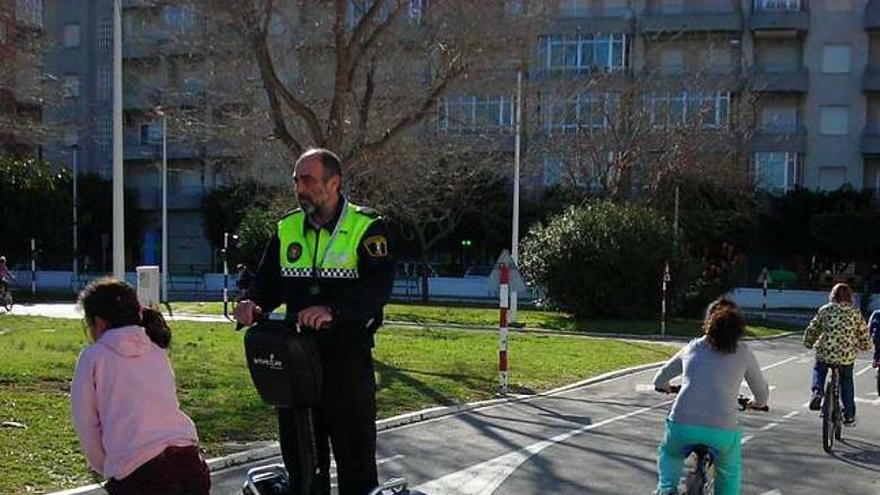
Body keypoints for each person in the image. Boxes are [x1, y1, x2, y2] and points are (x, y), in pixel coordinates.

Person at [234, 148, 394, 495]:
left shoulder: (367, 227)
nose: (299, 188)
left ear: (333, 183)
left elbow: (376, 289)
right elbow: (267, 282)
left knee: (356, 466)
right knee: (303, 467)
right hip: (296, 364)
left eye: (307, 180)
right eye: (296, 180)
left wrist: (332, 311)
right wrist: (252, 303)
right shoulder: (288, 227)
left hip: (346, 364)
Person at [71, 278, 209, 495]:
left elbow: (86, 422)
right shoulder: (156, 351)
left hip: (139, 472)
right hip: (189, 460)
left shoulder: (94, 357)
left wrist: (107, 466)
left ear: (97, 322)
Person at [653, 298, 769, 495]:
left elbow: (659, 380)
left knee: (670, 455)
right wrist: (756, 404)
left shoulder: (692, 347)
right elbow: (762, 393)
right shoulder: (744, 353)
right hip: (722, 431)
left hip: (682, 425)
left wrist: (666, 387)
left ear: (708, 322)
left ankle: (666, 490)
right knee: (729, 470)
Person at [805, 283, 872, 425]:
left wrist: (808, 343)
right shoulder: (854, 312)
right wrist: (866, 346)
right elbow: (863, 333)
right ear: (849, 297)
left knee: (819, 369)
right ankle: (848, 414)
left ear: (832, 295)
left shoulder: (825, 310)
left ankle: (817, 392)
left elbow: (813, 328)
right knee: (846, 381)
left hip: (825, 352)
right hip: (845, 356)